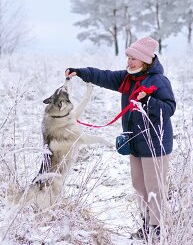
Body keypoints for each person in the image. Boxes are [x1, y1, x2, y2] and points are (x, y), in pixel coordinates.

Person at [65, 36, 176, 239]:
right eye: (128, 57)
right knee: (139, 186)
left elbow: (169, 109)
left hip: (155, 145)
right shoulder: (128, 78)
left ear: (146, 60)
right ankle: (146, 225)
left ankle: (157, 230)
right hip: (135, 143)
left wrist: (148, 101)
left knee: (155, 188)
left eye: (134, 58)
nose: (129, 61)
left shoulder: (158, 80)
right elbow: (104, 76)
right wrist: (81, 72)